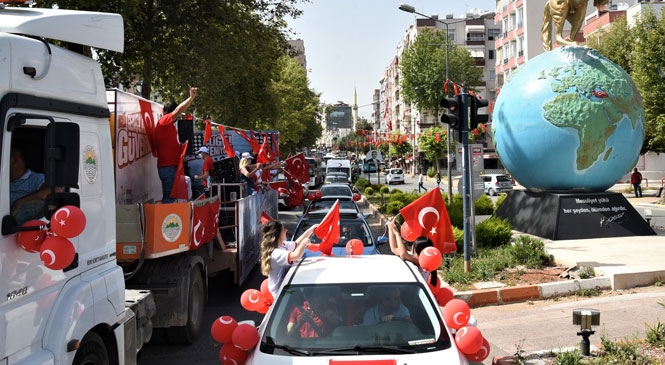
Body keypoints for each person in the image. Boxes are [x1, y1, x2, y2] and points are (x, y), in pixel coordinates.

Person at [153, 85, 198, 203]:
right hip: (168, 168)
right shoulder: (164, 122)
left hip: (169, 167)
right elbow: (178, 111)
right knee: (169, 199)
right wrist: (191, 98)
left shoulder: (167, 126)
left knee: (170, 198)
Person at [260, 220, 319, 299]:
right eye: (283, 230)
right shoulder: (276, 253)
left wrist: (311, 230)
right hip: (280, 294)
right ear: (278, 234)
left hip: (286, 289)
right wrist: (304, 244)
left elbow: (296, 244)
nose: (286, 231)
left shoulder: (283, 245)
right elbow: (296, 255)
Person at [386, 219, 437, 283]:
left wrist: (397, 233)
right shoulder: (416, 258)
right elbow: (394, 248)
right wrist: (390, 227)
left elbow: (403, 254)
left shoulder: (420, 262)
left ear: (415, 248)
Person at [10, 147, 50, 225]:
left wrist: (21, 202)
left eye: (13, 159)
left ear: (17, 161)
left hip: (19, 227)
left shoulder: (36, 178)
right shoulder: (4, 180)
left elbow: (54, 190)